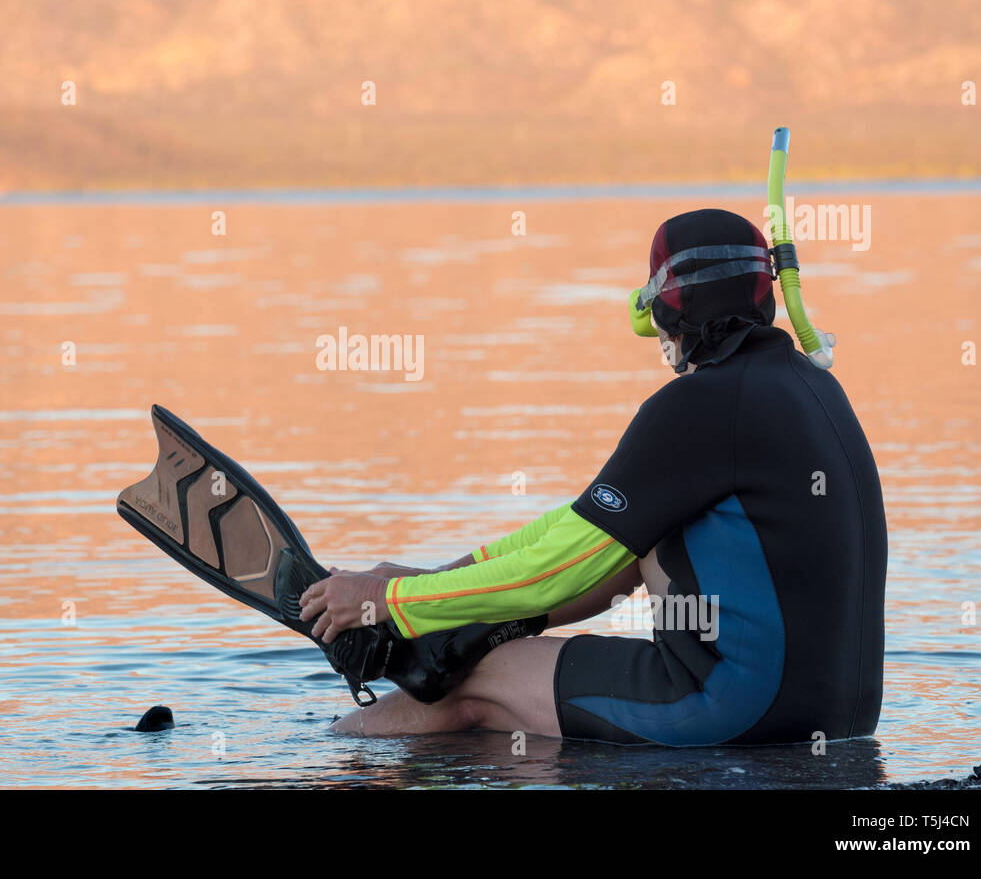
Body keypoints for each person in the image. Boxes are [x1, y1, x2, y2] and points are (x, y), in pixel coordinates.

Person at [299, 208, 887, 745]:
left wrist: (389, 600)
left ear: (667, 305)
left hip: (737, 712)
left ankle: (331, 753)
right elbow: (581, 527)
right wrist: (435, 581)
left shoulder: (699, 404)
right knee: (624, 551)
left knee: (476, 681)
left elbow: (560, 569)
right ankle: (455, 634)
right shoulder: (811, 387)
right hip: (840, 719)